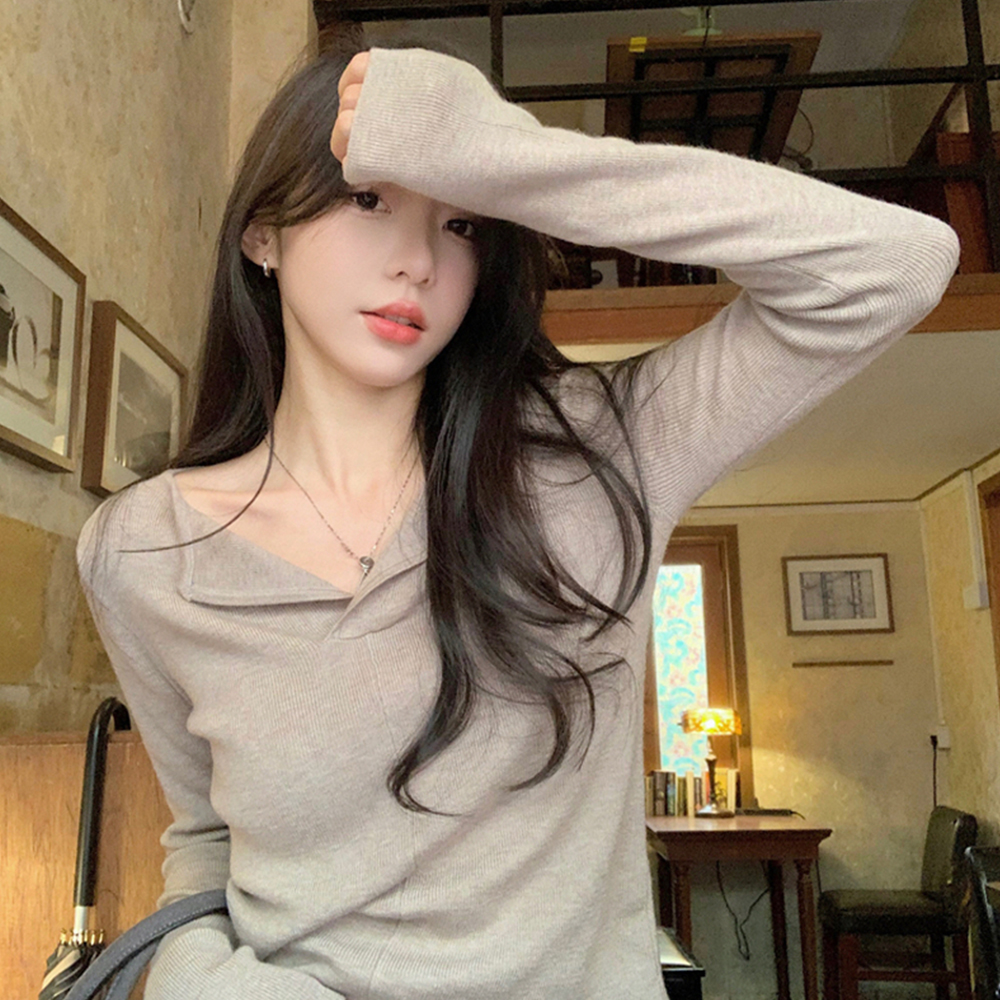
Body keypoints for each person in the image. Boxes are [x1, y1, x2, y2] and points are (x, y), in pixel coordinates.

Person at [76, 40, 959, 1000]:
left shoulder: (605, 452)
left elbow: (896, 263)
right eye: (367, 200)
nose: (418, 262)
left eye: (460, 222)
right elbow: (206, 841)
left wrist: (507, 155)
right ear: (262, 234)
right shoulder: (140, 551)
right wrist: (203, 982)